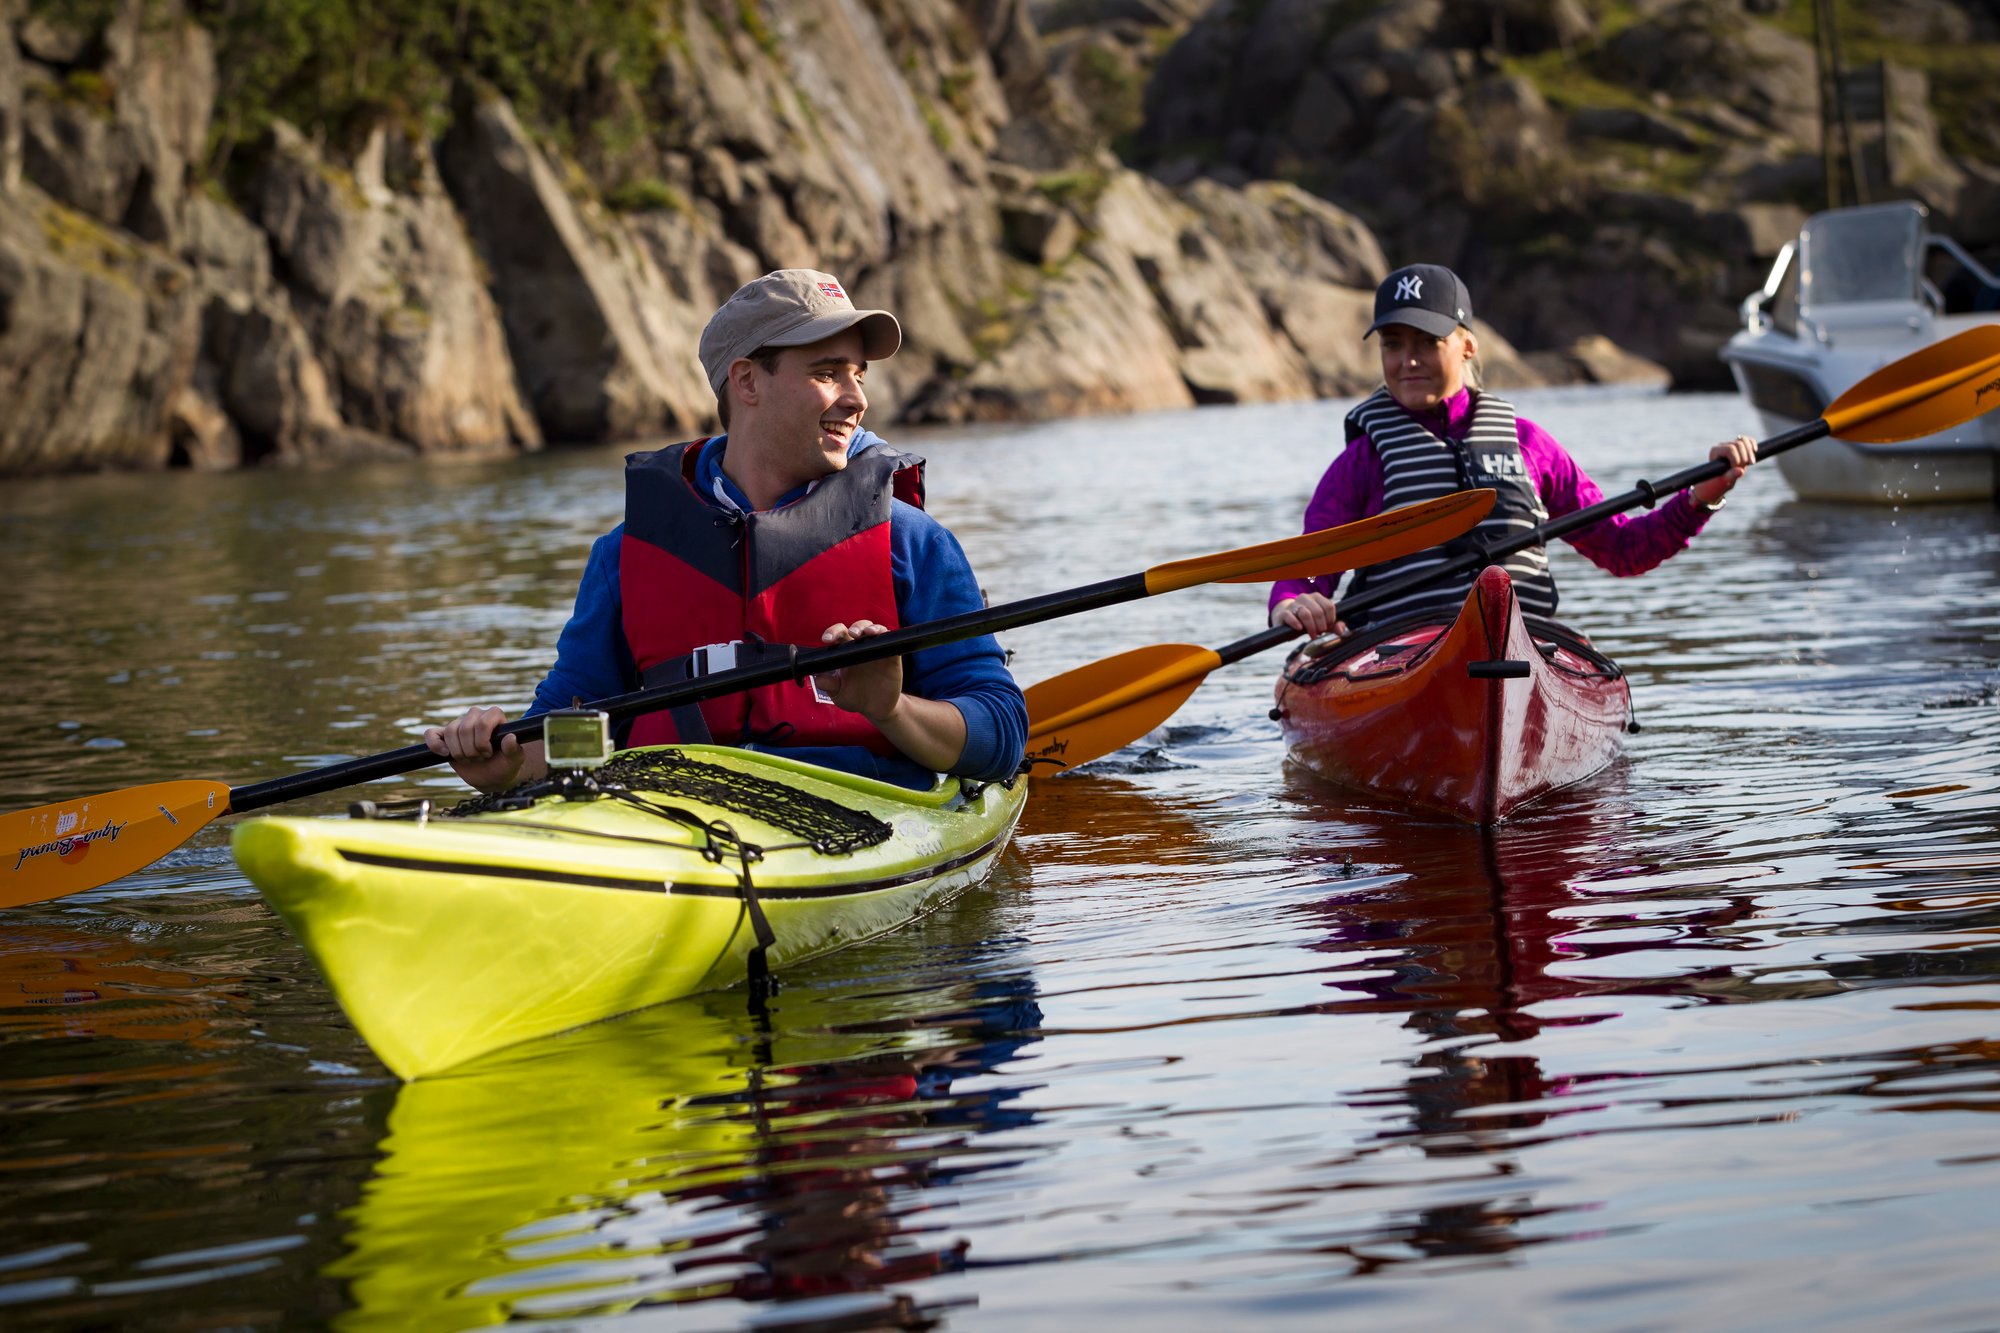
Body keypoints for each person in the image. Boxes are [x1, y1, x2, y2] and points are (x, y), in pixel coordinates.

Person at [425, 269, 1028, 793]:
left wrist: (890, 709)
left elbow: (1001, 734)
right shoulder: (626, 553)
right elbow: (574, 722)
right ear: (747, 383)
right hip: (669, 807)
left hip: (865, 804)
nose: (855, 398)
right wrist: (503, 762)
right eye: (827, 374)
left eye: (859, 375)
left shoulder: (913, 542)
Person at [1270, 263, 1759, 638]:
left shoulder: (1530, 445)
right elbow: (1312, 568)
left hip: (1519, 649)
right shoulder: (1363, 461)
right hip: (1402, 656)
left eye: (1427, 342)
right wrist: (1295, 602)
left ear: (1468, 346)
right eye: (1393, 344)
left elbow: (1624, 550)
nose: (1408, 360)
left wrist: (1701, 498)